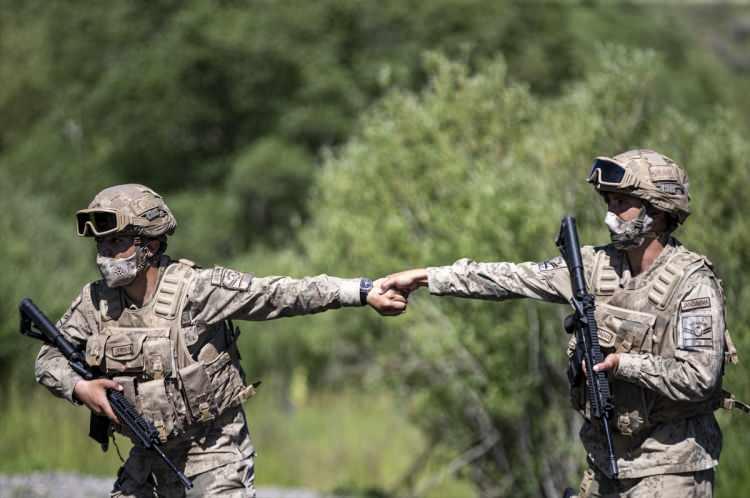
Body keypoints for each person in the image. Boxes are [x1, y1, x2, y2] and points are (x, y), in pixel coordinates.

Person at [380, 149, 738, 497]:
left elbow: (698, 377)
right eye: (608, 202)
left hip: (670, 467)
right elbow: (511, 278)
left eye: (621, 204)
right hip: (605, 461)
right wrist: (427, 277)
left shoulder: (692, 284)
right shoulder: (595, 267)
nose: (610, 216)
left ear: (658, 212)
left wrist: (621, 364)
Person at [35, 184, 408, 498]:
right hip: (148, 456)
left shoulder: (197, 289)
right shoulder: (95, 301)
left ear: (148, 244)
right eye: (100, 245)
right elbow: (48, 359)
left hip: (213, 451)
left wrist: (361, 291)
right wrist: (81, 388)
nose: (105, 255)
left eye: (116, 242)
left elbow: (278, 294)